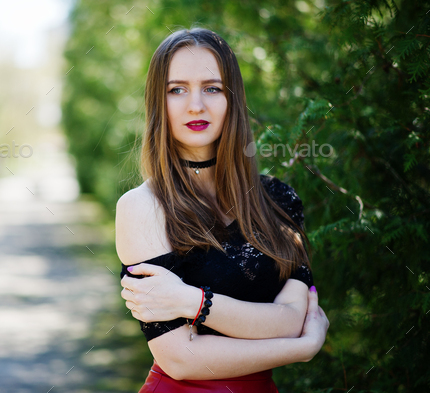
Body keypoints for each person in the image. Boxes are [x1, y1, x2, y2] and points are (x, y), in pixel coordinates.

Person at [115, 28, 330, 392]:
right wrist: (300, 348)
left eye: (212, 88)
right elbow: (181, 359)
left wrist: (192, 301)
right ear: (158, 102)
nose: (195, 104)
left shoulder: (279, 200)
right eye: (177, 89)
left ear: (232, 98)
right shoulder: (142, 207)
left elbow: (294, 318)